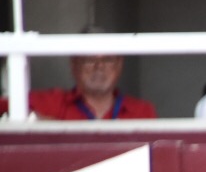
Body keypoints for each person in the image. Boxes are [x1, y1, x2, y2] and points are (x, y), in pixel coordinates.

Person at [2, 45, 156, 120]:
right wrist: (34, 120)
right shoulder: (51, 103)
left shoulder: (142, 111)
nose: (99, 67)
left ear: (119, 65)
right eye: (89, 59)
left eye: (108, 60)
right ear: (74, 65)